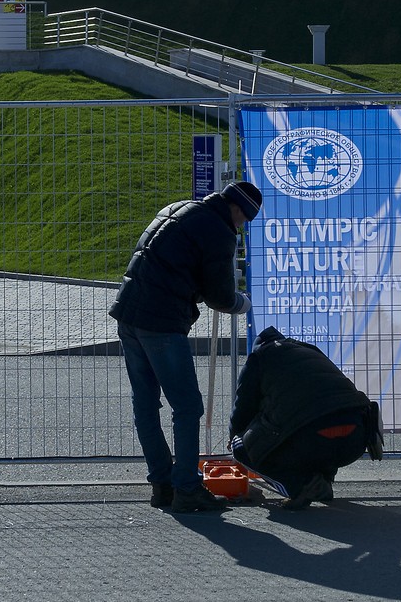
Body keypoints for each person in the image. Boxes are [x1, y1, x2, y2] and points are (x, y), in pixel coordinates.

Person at [110, 180, 263, 514]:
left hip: (128, 312)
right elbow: (220, 297)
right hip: (161, 323)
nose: (241, 227)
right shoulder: (220, 231)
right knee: (188, 407)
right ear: (237, 210)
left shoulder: (178, 208)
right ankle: (188, 489)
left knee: (146, 404)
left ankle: (162, 484)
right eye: (244, 220)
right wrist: (243, 304)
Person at [228, 326, 383, 510]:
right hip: (356, 438)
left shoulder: (259, 357)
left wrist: (234, 437)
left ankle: (300, 487)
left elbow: (243, 408)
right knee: (322, 418)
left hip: (312, 438)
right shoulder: (309, 350)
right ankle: (323, 484)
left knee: (241, 446)